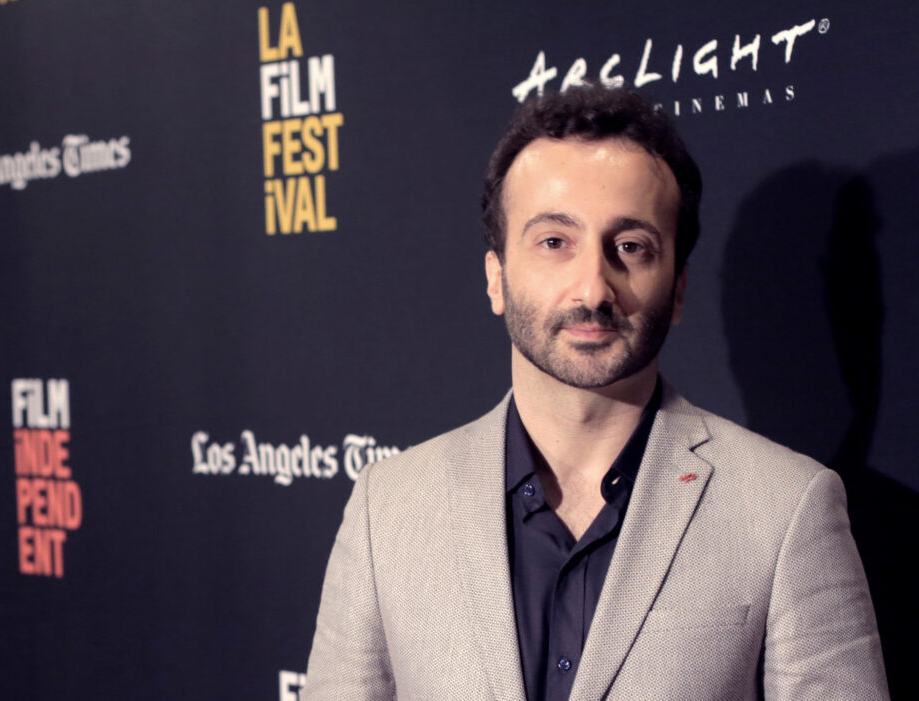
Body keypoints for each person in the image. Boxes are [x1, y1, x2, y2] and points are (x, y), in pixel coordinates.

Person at [302, 83, 888, 700]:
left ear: (678, 288)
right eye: (555, 242)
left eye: (630, 247)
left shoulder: (785, 508)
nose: (592, 288)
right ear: (496, 277)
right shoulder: (388, 508)